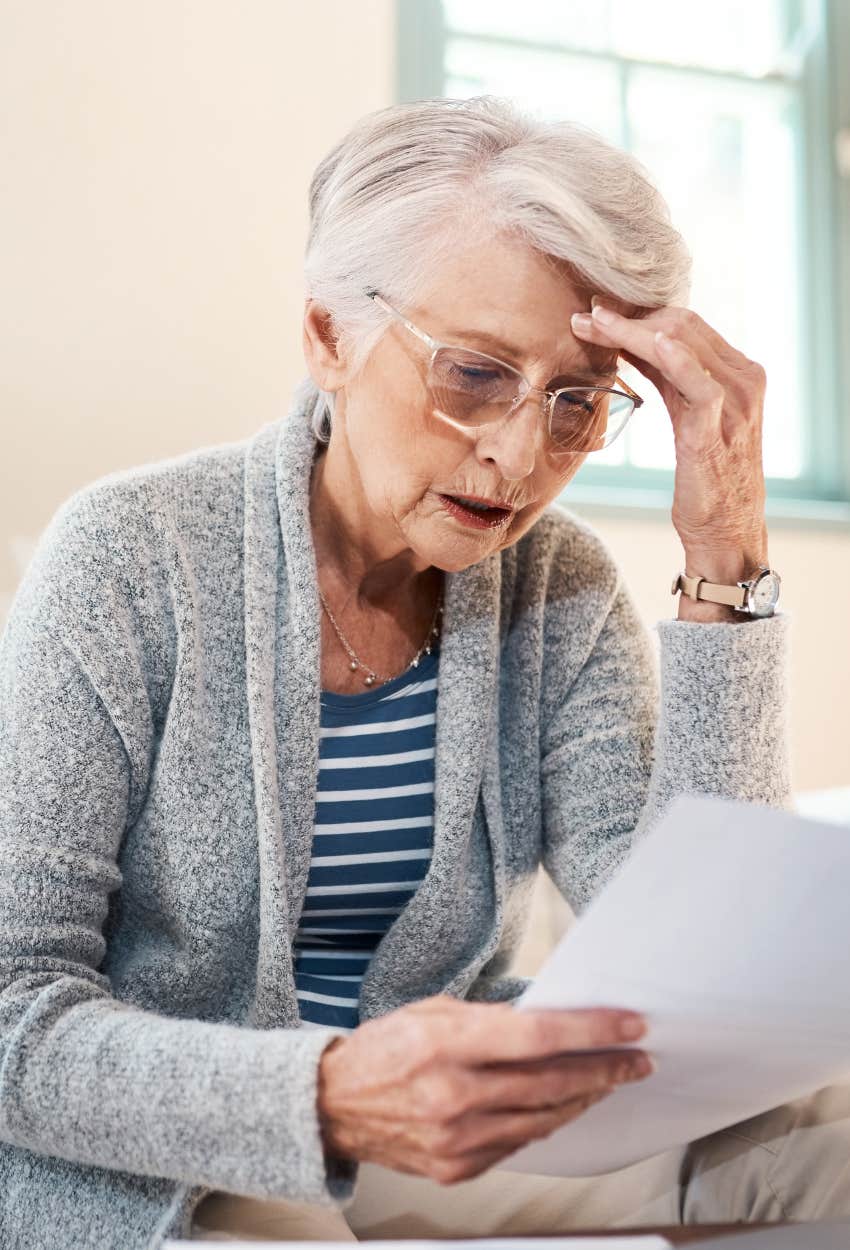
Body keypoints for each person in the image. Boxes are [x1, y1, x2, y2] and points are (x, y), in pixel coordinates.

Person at [1, 95, 847, 1250]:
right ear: (325, 335)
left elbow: (708, 952)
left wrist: (725, 555)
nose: (517, 455)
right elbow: (14, 1011)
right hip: (175, 1154)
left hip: (457, 1133)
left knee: (822, 1141)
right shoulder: (129, 557)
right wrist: (328, 1093)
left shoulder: (564, 588)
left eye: (577, 402)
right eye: (475, 374)